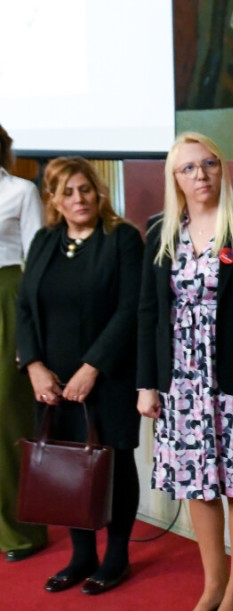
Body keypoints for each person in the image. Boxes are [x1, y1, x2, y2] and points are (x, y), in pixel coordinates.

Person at [137, 133, 233, 611]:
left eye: (210, 164)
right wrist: (146, 384)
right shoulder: (159, 230)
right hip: (179, 382)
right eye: (189, 168)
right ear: (175, 179)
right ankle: (213, 585)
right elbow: (148, 312)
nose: (201, 175)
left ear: (221, 169)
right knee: (197, 486)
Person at [17, 157, 143, 594]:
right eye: (67, 192)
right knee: (67, 466)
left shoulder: (122, 238)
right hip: (52, 382)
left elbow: (130, 309)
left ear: (97, 191)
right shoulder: (45, 240)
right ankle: (82, 555)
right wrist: (33, 366)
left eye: (85, 189)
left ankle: (116, 557)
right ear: (53, 199)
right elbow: (25, 307)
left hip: (107, 377)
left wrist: (92, 368)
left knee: (114, 463)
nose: (78, 199)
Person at [0, 124, 47, 563]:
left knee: (8, 417)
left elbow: (38, 263)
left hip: (7, 298)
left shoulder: (20, 191)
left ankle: (22, 530)